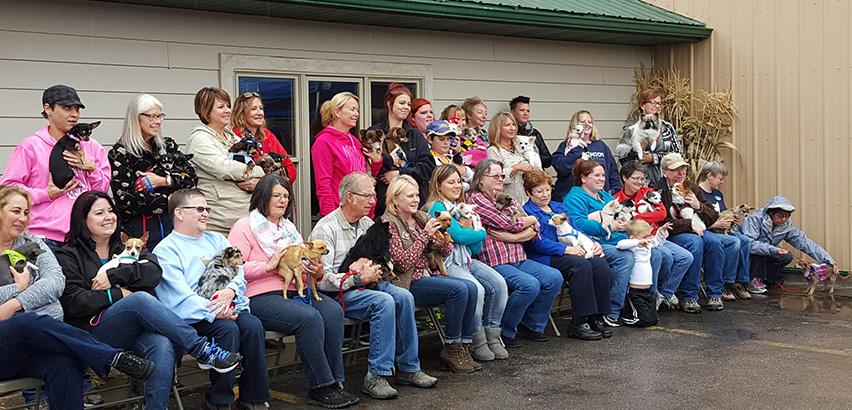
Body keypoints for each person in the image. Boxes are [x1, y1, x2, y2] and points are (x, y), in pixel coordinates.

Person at [56, 191, 242, 410]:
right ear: (82, 219)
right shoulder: (68, 255)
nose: (108, 216)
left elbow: (153, 273)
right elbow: (75, 302)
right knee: (140, 300)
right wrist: (118, 294)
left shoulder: (129, 246)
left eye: (111, 211)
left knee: (161, 346)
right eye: (99, 213)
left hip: (135, 330)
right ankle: (202, 349)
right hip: (94, 332)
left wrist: (113, 277)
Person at [227, 174, 359, 408]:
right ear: (262, 197)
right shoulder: (244, 226)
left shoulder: (289, 229)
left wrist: (315, 269)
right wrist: (268, 266)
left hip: (295, 289)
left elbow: (304, 261)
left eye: (286, 196)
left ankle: (335, 381)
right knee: (308, 317)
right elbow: (234, 266)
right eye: (276, 195)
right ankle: (321, 387)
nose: (282, 201)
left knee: (332, 310)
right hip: (259, 295)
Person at [310, 172, 437, 400]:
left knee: (404, 296)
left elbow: (386, 257)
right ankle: (376, 376)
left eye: (372, 195)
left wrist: (376, 266)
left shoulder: (368, 223)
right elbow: (322, 279)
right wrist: (355, 277)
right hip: (342, 292)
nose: (373, 200)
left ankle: (409, 367)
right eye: (367, 195)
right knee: (384, 301)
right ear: (349, 197)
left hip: (370, 284)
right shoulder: (325, 228)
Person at [154, 189, 270, 409]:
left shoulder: (217, 239)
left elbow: (239, 272)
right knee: (227, 329)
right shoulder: (166, 250)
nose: (206, 213)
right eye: (199, 209)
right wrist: (214, 309)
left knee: (253, 326)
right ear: (179, 213)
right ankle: (220, 400)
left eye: (207, 209)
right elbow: (177, 296)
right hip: (191, 318)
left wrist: (232, 292)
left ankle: (253, 397)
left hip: (227, 306)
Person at [383, 175, 480, 374]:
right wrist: (425, 235)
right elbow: (402, 263)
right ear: (395, 199)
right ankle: (451, 347)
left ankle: (464, 345)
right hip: (407, 282)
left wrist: (443, 242)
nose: (415, 200)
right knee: (459, 289)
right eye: (409, 196)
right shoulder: (389, 223)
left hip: (428, 274)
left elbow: (445, 253)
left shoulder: (420, 217)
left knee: (471, 287)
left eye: (417, 195)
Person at [0, 84, 110, 250]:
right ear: (48, 109)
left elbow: (102, 191)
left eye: (77, 109)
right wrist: (46, 194)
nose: (74, 115)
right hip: (45, 238)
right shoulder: (30, 146)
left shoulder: (92, 146)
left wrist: (92, 169)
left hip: (85, 237)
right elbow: (7, 191)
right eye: (66, 108)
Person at [467, 159, 563, 347]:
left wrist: (513, 236)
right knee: (529, 285)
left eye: (502, 176)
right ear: (480, 180)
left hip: (519, 257)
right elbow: (507, 223)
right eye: (495, 176)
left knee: (554, 277)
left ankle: (531, 325)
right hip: (496, 262)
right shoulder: (476, 200)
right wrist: (523, 223)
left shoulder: (505, 197)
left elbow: (534, 229)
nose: (500, 179)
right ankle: (505, 331)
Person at [425, 164, 509, 360]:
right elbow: (459, 236)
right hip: (447, 262)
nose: (456, 186)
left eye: (458, 182)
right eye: (450, 182)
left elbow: (476, 248)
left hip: (466, 259)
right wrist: (479, 231)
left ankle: (493, 335)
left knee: (499, 284)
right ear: (438, 186)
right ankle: (476, 338)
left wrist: (472, 233)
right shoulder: (437, 207)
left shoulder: (461, 209)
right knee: (477, 289)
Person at [521, 170, 613, 340]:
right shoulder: (527, 212)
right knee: (581, 265)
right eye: (539, 191)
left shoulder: (558, 207)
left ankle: (596, 317)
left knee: (599, 263)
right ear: (529, 192)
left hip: (572, 250)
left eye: (547, 190)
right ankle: (579, 322)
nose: (545, 195)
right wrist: (565, 250)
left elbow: (575, 230)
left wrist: (592, 243)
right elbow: (536, 242)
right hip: (544, 256)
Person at [563, 159, 657, 326]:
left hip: (620, 238)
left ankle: (643, 303)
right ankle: (613, 310)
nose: (601, 179)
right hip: (596, 243)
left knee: (655, 254)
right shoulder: (575, 197)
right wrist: (607, 226)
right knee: (625, 258)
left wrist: (625, 225)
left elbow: (620, 216)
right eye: (596, 175)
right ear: (583, 178)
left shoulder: (604, 195)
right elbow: (577, 224)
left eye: (603, 175)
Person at [1, 312, 155, 410]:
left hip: (18, 351)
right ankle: (111, 356)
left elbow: (53, 284)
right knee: (27, 323)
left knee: (62, 364)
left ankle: (110, 356)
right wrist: (19, 291)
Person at [109, 94, 198, 249]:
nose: (157, 121)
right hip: (139, 231)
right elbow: (126, 201)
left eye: (160, 116)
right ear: (136, 118)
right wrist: (172, 200)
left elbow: (191, 179)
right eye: (151, 116)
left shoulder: (168, 146)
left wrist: (163, 181)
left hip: (174, 226)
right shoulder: (120, 153)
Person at [655, 153, 732, 313]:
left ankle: (715, 293)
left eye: (683, 168)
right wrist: (689, 223)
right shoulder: (659, 190)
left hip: (696, 230)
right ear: (664, 172)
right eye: (676, 169)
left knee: (715, 243)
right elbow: (663, 221)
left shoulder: (692, 188)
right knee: (695, 243)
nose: (681, 172)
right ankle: (689, 296)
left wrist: (698, 206)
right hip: (672, 233)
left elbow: (712, 216)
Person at [614, 161, 693, 310]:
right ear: (625, 178)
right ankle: (651, 296)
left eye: (642, 178)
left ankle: (663, 293)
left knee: (686, 257)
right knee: (665, 257)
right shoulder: (617, 199)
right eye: (636, 178)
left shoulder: (648, 192)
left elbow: (661, 213)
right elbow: (623, 224)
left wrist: (634, 217)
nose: (640, 182)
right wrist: (646, 217)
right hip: (640, 241)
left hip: (657, 236)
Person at [185, 87, 264, 234]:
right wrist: (261, 172)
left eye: (228, 106)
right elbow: (224, 168)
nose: (227, 110)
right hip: (219, 223)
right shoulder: (199, 139)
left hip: (245, 217)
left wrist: (259, 182)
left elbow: (250, 162)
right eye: (221, 107)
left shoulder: (232, 137)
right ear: (206, 111)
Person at [740, 196, 838, 289]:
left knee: (786, 257)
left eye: (787, 216)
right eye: (780, 216)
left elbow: (805, 243)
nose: (783, 220)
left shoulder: (786, 225)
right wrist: (774, 249)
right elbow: (750, 244)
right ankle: (752, 281)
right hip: (748, 254)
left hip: (768, 251)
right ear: (770, 213)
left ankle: (767, 281)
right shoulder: (755, 218)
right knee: (760, 252)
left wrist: (829, 261)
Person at [312, 92, 383, 217]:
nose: (356, 114)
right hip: (340, 214)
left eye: (357, 110)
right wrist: (329, 217)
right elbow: (323, 184)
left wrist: (376, 162)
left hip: (364, 215)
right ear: (337, 112)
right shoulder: (323, 142)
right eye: (352, 109)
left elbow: (368, 176)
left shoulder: (355, 141)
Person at [370, 85, 432, 215]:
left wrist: (400, 173)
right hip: (383, 206)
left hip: (413, 208)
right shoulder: (375, 132)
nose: (406, 107)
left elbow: (427, 168)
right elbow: (370, 165)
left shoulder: (415, 135)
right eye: (402, 103)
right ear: (389, 104)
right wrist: (388, 162)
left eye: (408, 104)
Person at [697, 161, 754, 299]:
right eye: (720, 178)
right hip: (708, 230)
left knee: (745, 240)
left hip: (722, 229)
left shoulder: (718, 194)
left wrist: (731, 219)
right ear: (710, 176)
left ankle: (740, 281)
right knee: (734, 242)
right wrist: (716, 225)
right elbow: (697, 219)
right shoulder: (697, 193)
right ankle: (725, 282)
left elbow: (723, 212)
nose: (722, 182)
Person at [616, 89, 683, 186]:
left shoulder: (667, 127)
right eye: (652, 103)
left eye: (659, 104)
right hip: (639, 182)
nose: (656, 106)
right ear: (642, 105)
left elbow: (678, 154)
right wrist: (638, 154)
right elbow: (623, 159)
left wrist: (654, 158)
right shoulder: (631, 129)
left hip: (665, 180)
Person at [552, 110, 621, 200]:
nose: (587, 124)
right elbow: (562, 168)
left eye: (590, 122)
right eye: (582, 122)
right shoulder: (566, 146)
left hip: (598, 200)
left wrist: (612, 192)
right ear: (575, 125)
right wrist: (577, 147)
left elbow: (613, 172)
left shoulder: (601, 145)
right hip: (573, 200)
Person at [231, 91, 298, 182]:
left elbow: (290, 168)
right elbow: (240, 173)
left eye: (261, 108)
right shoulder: (234, 136)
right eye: (253, 109)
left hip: (274, 192)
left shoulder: (267, 135)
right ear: (241, 112)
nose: (259, 113)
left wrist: (268, 183)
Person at [616, 220, 670, 326]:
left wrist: (661, 231)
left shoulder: (648, 245)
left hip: (648, 290)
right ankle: (626, 317)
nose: (647, 239)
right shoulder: (632, 247)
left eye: (648, 236)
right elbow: (620, 244)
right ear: (632, 238)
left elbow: (658, 241)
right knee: (645, 320)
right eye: (644, 237)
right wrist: (638, 242)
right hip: (635, 291)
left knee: (654, 320)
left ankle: (640, 316)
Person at [486, 112, 540, 204]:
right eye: (507, 125)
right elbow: (494, 179)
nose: (512, 128)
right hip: (506, 201)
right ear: (498, 128)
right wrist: (517, 167)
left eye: (514, 125)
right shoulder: (493, 150)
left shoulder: (520, 147)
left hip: (527, 199)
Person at [510, 96, 552, 169]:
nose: (525, 113)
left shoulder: (534, 133)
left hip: (536, 174)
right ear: (512, 112)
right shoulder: (509, 133)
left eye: (528, 111)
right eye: (522, 110)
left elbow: (548, 160)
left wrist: (532, 156)